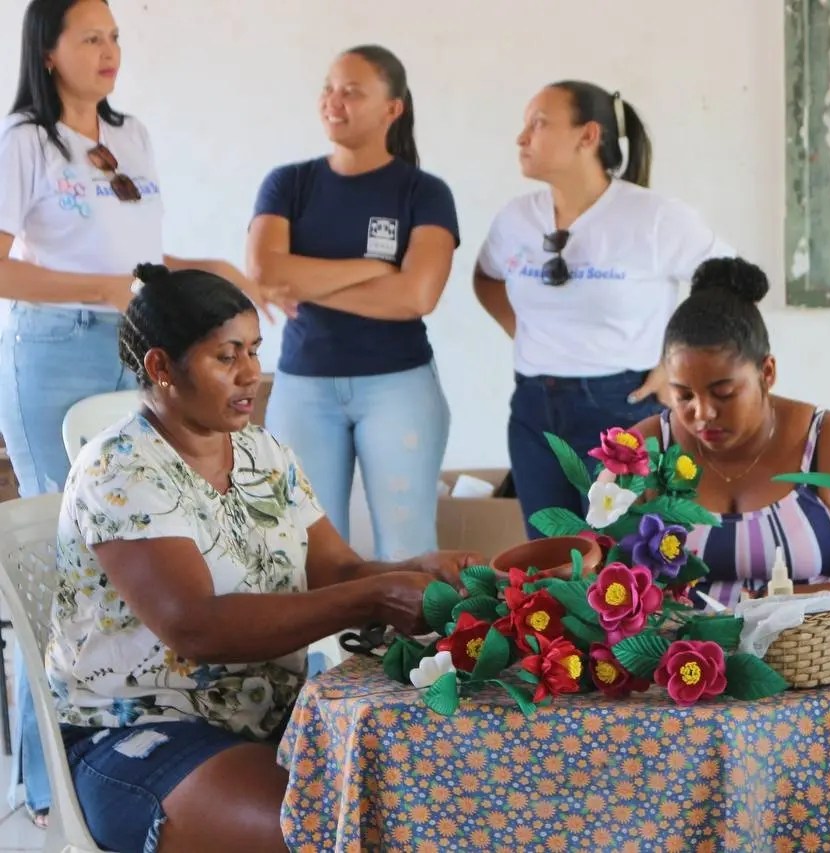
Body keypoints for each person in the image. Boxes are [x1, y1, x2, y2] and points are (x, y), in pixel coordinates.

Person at [48, 263, 479, 852]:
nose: (251, 373)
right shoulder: (121, 468)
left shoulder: (262, 453)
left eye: (253, 350)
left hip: (270, 717)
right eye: (227, 357)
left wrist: (422, 571)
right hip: (139, 733)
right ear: (160, 366)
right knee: (334, 825)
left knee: (432, 789)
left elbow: (338, 573)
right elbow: (196, 627)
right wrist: (375, 595)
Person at [0, 0, 257, 827]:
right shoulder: (24, 144)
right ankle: (51, 789)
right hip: (51, 345)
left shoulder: (132, 133)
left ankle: (159, 721)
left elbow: (132, 256)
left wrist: (192, 268)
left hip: (129, 340)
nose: (111, 51)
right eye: (91, 37)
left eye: (115, 35)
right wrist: (103, 290)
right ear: (48, 52)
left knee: (145, 541)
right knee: (64, 554)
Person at [474, 79, 733, 538]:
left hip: (622, 406)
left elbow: (730, 283)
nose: (522, 137)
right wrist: (532, 335)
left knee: (628, 562)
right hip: (534, 407)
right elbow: (487, 278)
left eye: (539, 124)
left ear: (587, 136)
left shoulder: (652, 217)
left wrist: (674, 366)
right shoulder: (516, 218)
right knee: (551, 565)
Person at [633, 257, 830, 627]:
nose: (703, 413)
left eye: (724, 393)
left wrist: (789, 602)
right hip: (677, 677)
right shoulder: (648, 448)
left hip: (814, 670)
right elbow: (595, 581)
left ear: (767, 372)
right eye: (683, 396)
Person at [247, 45, 458, 560]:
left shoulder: (424, 192)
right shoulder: (288, 183)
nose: (333, 101)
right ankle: (324, 648)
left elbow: (416, 295)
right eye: (328, 88)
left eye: (352, 91)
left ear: (393, 108)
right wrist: (370, 269)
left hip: (399, 385)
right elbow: (264, 270)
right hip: (304, 385)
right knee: (308, 548)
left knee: (406, 548)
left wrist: (308, 279)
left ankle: (419, 645)